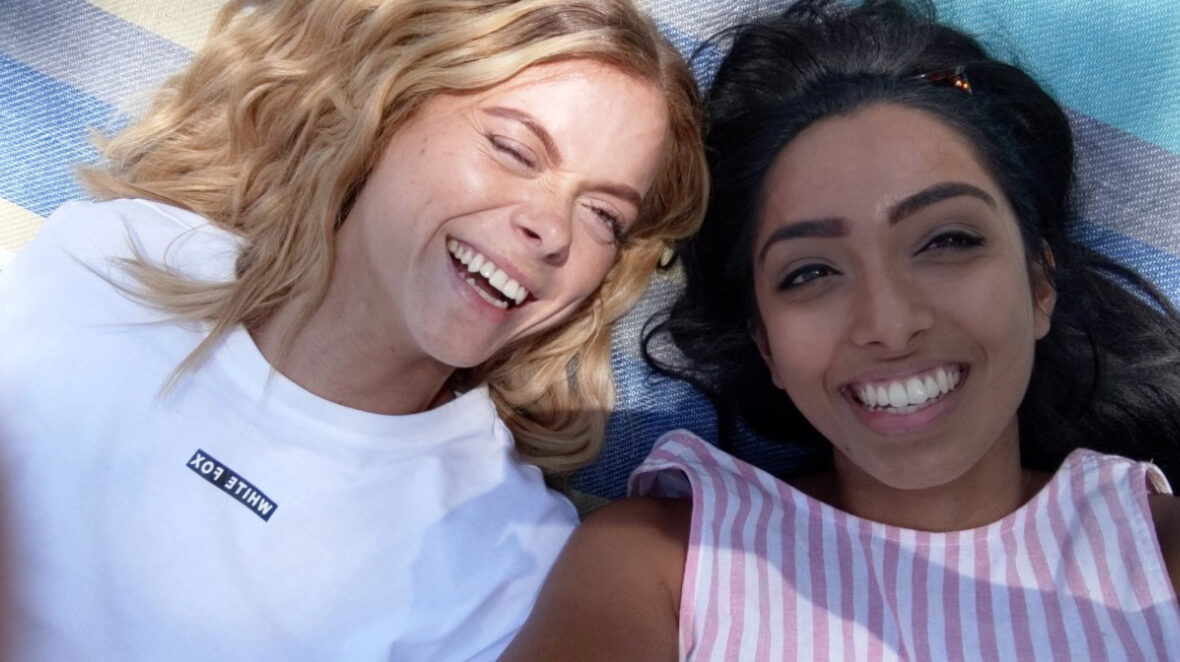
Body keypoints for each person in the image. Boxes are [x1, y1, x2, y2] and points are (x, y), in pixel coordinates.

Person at [0, 0, 708, 659]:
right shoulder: (108, 261)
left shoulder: (506, 563)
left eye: (603, 216)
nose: (550, 229)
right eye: (513, 149)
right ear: (388, 114)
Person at [500, 1, 1180, 659]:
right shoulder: (664, 570)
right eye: (810, 273)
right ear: (764, 342)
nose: (889, 323)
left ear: (1039, 284)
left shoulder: (1159, 557)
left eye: (946, 239)